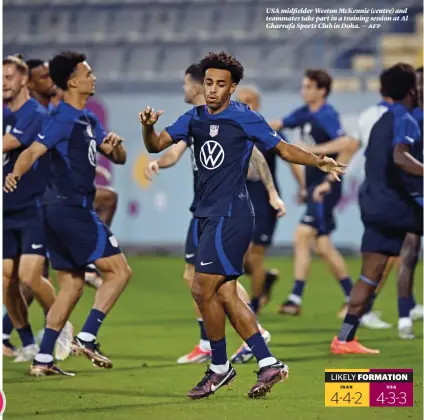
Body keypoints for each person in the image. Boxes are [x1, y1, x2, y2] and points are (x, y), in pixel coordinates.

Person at [139, 51, 345, 399]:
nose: (213, 90)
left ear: (233, 87)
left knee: (201, 288)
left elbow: (281, 149)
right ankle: (268, 364)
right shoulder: (193, 117)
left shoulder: (244, 118)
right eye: (208, 83)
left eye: (221, 84)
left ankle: (219, 368)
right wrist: (146, 126)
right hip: (207, 216)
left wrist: (317, 161)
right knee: (225, 293)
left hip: (230, 215)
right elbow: (156, 144)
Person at [4, 51, 132, 376]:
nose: (93, 78)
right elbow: (32, 150)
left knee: (72, 286)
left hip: (57, 211)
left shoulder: (87, 119)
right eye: (88, 73)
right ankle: (87, 338)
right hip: (68, 207)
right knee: (119, 272)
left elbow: (117, 156)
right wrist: (15, 173)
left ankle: (43, 359)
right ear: (73, 80)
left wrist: (116, 146)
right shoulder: (61, 118)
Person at [144, 64, 281, 365]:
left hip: (222, 212)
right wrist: (158, 163)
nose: (185, 89)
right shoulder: (194, 120)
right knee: (206, 278)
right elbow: (172, 150)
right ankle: (223, 347)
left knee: (212, 281)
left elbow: (256, 155)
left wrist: (271, 192)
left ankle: (226, 348)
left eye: (185, 84)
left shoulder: (227, 117)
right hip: (203, 210)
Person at [331, 63, 423, 354]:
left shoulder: (382, 119)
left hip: (372, 206)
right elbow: (400, 157)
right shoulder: (406, 119)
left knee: (370, 276)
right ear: (412, 90)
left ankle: (344, 338)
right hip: (397, 208)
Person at [270, 69, 359, 318]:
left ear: (322, 90)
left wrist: (317, 157)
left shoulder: (327, 115)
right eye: (303, 86)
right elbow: (278, 124)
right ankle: (354, 297)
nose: (304, 90)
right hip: (313, 187)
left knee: (301, 235)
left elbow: (346, 144)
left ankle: (295, 298)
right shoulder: (304, 113)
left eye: (309, 86)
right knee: (322, 246)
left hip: (325, 187)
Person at [2, 54, 72, 363]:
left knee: (30, 277)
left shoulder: (34, 114)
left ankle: (61, 323)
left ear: (22, 81)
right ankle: (28, 342)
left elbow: (8, 144)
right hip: (6, 210)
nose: (3, 83)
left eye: (8, 78)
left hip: (33, 206)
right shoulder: (5, 113)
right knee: (6, 279)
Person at [396, 66, 424, 339]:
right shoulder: (407, 118)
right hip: (415, 195)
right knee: (409, 253)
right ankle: (404, 316)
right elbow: (399, 157)